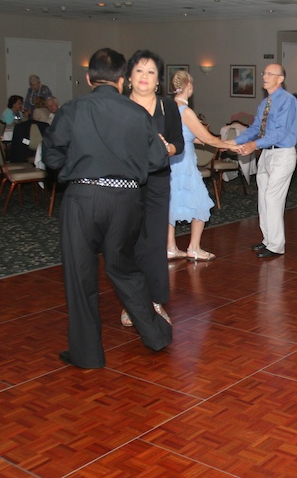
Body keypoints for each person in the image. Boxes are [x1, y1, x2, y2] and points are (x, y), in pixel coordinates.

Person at [41, 47, 172, 369]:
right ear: (123, 79)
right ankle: (156, 336)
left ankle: (88, 355)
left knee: (80, 275)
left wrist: (82, 163)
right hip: (126, 200)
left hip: (83, 199)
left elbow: (51, 157)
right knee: (125, 269)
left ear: (88, 78)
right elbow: (157, 159)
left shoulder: (72, 110)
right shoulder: (136, 113)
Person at [123, 50, 184, 327]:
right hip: (125, 184)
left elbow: (178, 145)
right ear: (129, 77)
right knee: (128, 243)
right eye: (139, 70)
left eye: (150, 72)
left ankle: (155, 301)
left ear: (158, 80)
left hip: (158, 181)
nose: (144, 77)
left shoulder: (167, 107)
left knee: (153, 243)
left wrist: (164, 148)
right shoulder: (119, 106)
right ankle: (132, 303)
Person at [167, 70, 239, 261]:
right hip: (184, 164)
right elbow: (207, 138)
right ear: (188, 86)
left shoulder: (167, 108)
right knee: (201, 203)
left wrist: (229, 143)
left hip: (170, 163)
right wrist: (226, 144)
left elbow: (193, 137)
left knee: (171, 203)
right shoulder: (186, 111)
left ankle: (170, 246)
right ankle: (194, 247)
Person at [233, 64, 297, 258]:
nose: (265, 76)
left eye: (270, 74)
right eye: (265, 73)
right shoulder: (265, 103)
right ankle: (268, 240)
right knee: (263, 199)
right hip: (267, 154)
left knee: (272, 198)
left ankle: (276, 245)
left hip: (282, 154)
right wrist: (233, 142)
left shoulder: (288, 101)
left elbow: (280, 132)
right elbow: (255, 128)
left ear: (280, 79)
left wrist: (254, 145)